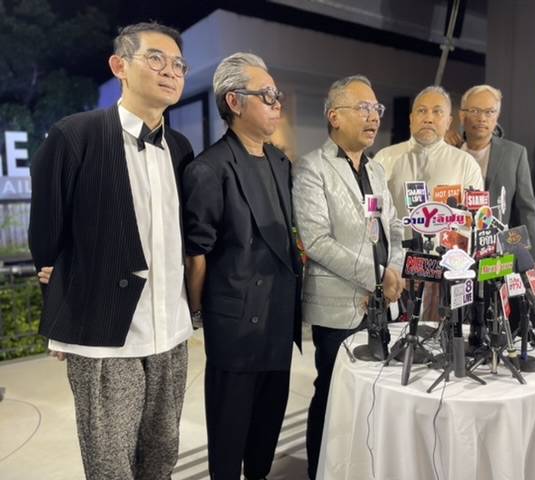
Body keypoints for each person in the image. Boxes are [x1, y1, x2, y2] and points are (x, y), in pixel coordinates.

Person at [28, 22, 193, 479]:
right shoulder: (74, 136)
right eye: (156, 59)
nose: (170, 71)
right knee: (110, 465)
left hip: (171, 330)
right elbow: (46, 235)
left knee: (162, 455)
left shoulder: (180, 148)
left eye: (179, 64)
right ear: (119, 66)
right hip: (102, 334)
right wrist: (63, 305)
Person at [181, 53, 303, 480]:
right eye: (266, 95)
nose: (276, 102)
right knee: (229, 436)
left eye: (277, 94)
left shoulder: (280, 162)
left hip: (277, 316)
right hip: (234, 324)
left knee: (267, 430)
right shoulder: (208, 168)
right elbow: (196, 253)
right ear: (234, 101)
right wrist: (199, 311)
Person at [292, 75, 404, 480]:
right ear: (334, 116)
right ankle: (320, 471)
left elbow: (393, 228)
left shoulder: (376, 169)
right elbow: (316, 240)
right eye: (363, 108)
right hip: (339, 305)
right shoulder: (312, 167)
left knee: (373, 391)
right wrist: (378, 275)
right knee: (332, 392)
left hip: (382, 301)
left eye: (377, 109)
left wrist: (395, 268)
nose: (373, 116)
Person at [374, 85, 483, 226]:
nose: (428, 119)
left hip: (449, 240)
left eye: (437, 112)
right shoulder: (384, 158)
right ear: (411, 119)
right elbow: (371, 215)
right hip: (396, 240)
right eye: (422, 111)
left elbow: (477, 220)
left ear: (448, 122)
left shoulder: (466, 164)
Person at [458, 84, 535, 260]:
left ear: (497, 116)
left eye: (490, 112)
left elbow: (526, 212)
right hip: (455, 252)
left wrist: (532, 261)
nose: (482, 118)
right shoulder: (450, 152)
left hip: (498, 255)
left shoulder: (514, 154)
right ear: (462, 115)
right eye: (475, 111)